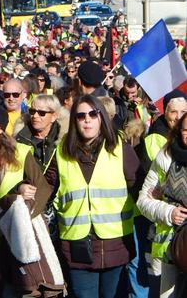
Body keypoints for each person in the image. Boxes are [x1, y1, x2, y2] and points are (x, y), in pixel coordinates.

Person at [45, 94, 139, 298]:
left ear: (101, 117)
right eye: (80, 116)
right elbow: (46, 188)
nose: (87, 119)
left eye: (92, 114)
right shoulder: (62, 152)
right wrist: (24, 190)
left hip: (116, 243)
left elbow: (139, 189)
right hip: (77, 246)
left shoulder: (120, 148)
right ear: (74, 120)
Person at [0, 102, 65, 297]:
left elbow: (42, 189)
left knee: (12, 292)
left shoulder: (20, 152)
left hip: (12, 241)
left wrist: (24, 216)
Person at [137, 112, 187, 298]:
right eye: (185, 130)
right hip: (170, 249)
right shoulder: (165, 157)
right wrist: (168, 211)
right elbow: (143, 201)